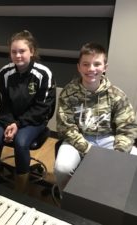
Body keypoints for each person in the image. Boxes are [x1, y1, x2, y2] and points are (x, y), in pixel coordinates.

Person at [54, 42, 137, 195]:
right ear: (79, 67)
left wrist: (116, 156)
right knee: (62, 168)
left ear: (105, 67)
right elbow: (66, 128)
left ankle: (117, 202)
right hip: (79, 139)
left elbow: (128, 129)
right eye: (86, 64)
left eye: (97, 64)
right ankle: (66, 200)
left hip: (108, 139)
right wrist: (89, 151)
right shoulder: (68, 93)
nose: (91, 69)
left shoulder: (116, 95)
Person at [0, 30, 56, 192]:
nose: (18, 55)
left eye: (22, 51)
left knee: (21, 142)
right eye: (14, 52)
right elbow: (4, 104)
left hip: (35, 121)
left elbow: (43, 108)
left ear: (32, 51)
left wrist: (18, 124)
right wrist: (9, 123)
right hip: (10, 119)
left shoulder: (43, 74)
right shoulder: (4, 73)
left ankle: (20, 190)